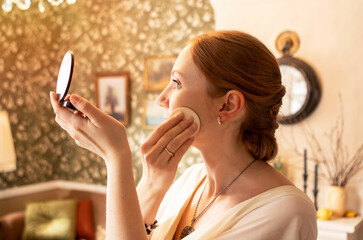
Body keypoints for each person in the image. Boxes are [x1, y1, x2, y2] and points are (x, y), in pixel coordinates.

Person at [50, 30, 317, 240]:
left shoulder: (284, 212)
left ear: (228, 105)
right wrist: (152, 183)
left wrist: (116, 158)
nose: (161, 99)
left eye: (177, 82)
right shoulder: (190, 180)